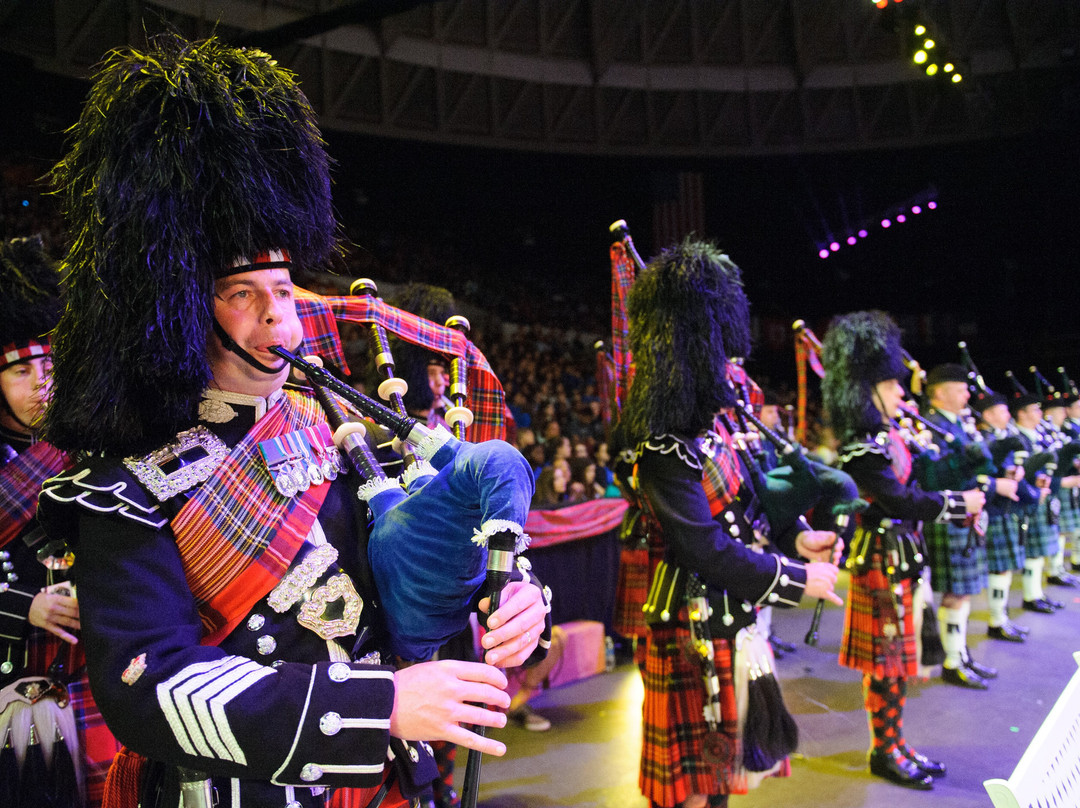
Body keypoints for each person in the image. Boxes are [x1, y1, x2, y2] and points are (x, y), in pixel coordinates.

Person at [36, 34, 547, 808]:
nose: (278, 316)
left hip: (380, 784)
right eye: (242, 293)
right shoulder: (118, 490)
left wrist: (513, 596)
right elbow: (148, 685)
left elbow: (412, 588)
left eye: (281, 288)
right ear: (171, 308)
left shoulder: (340, 436)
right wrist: (382, 708)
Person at [622, 239, 841, 808]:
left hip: (733, 611)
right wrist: (795, 579)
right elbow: (702, 546)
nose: (728, 366)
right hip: (691, 618)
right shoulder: (663, 449)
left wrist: (798, 536)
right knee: (692, 786)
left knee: (719, 775)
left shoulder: (712, 429)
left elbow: (753, 500)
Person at [822, 311, 984, 790]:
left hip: (901, 554)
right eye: (892, 387)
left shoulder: (882, 438)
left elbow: (919, 485)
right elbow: (898, 499)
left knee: (897, 662)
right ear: (869, 389)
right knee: (885, 663)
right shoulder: (860, 448)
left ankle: (895, 742)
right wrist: (958, 504)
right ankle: (883, 749)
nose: (901, 394)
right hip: (880, 557)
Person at [0, 234, 122, 808]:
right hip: (13, 687)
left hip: (97, 670)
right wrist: (25, 605)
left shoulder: (93, 447)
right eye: (21, 370)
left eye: (50, 363)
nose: (41, 382)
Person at [920, 363, 1012, 689]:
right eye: (960, 389)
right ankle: (952, 661)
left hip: (966, 514)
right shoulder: (930, 426)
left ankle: (961, 654)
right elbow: (933, 476)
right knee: (955, 593)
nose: (967, 394)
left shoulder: (958, 424)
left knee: (964, 592)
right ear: (941, 392)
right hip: (949, 515)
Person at [973, 388, 1038, 643]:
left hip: (1004, 508)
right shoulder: (984, 439)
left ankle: (1001, 618)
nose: (1007, 414)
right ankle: (996, 621)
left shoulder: (999, 436)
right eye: (1002, 410)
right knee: (999, 569)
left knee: (1004, 569)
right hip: (994, 508)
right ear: (987, 414)